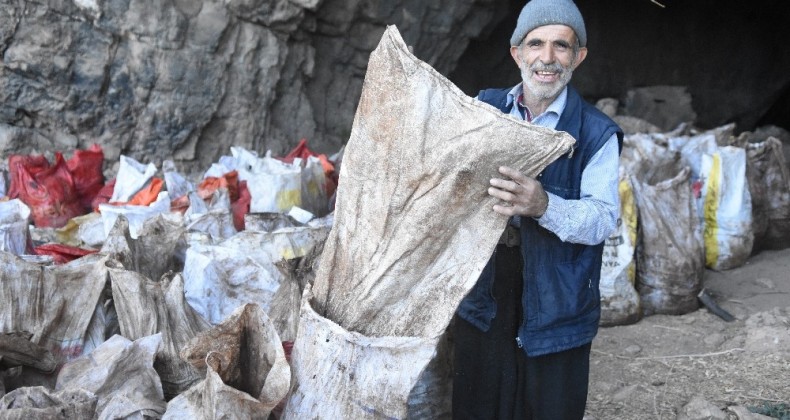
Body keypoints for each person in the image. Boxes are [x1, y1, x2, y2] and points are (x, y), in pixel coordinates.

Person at [453, 0, 624, 419]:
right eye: (536, 44)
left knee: (548, 408)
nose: (547, 58)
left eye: (561, 46)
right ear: (517, 53)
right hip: (484, 292)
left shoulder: (596, 132)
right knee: (479, 406)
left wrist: (544, 205)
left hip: (558, 301)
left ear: (578, 57)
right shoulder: (483, 110)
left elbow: (603, 219)